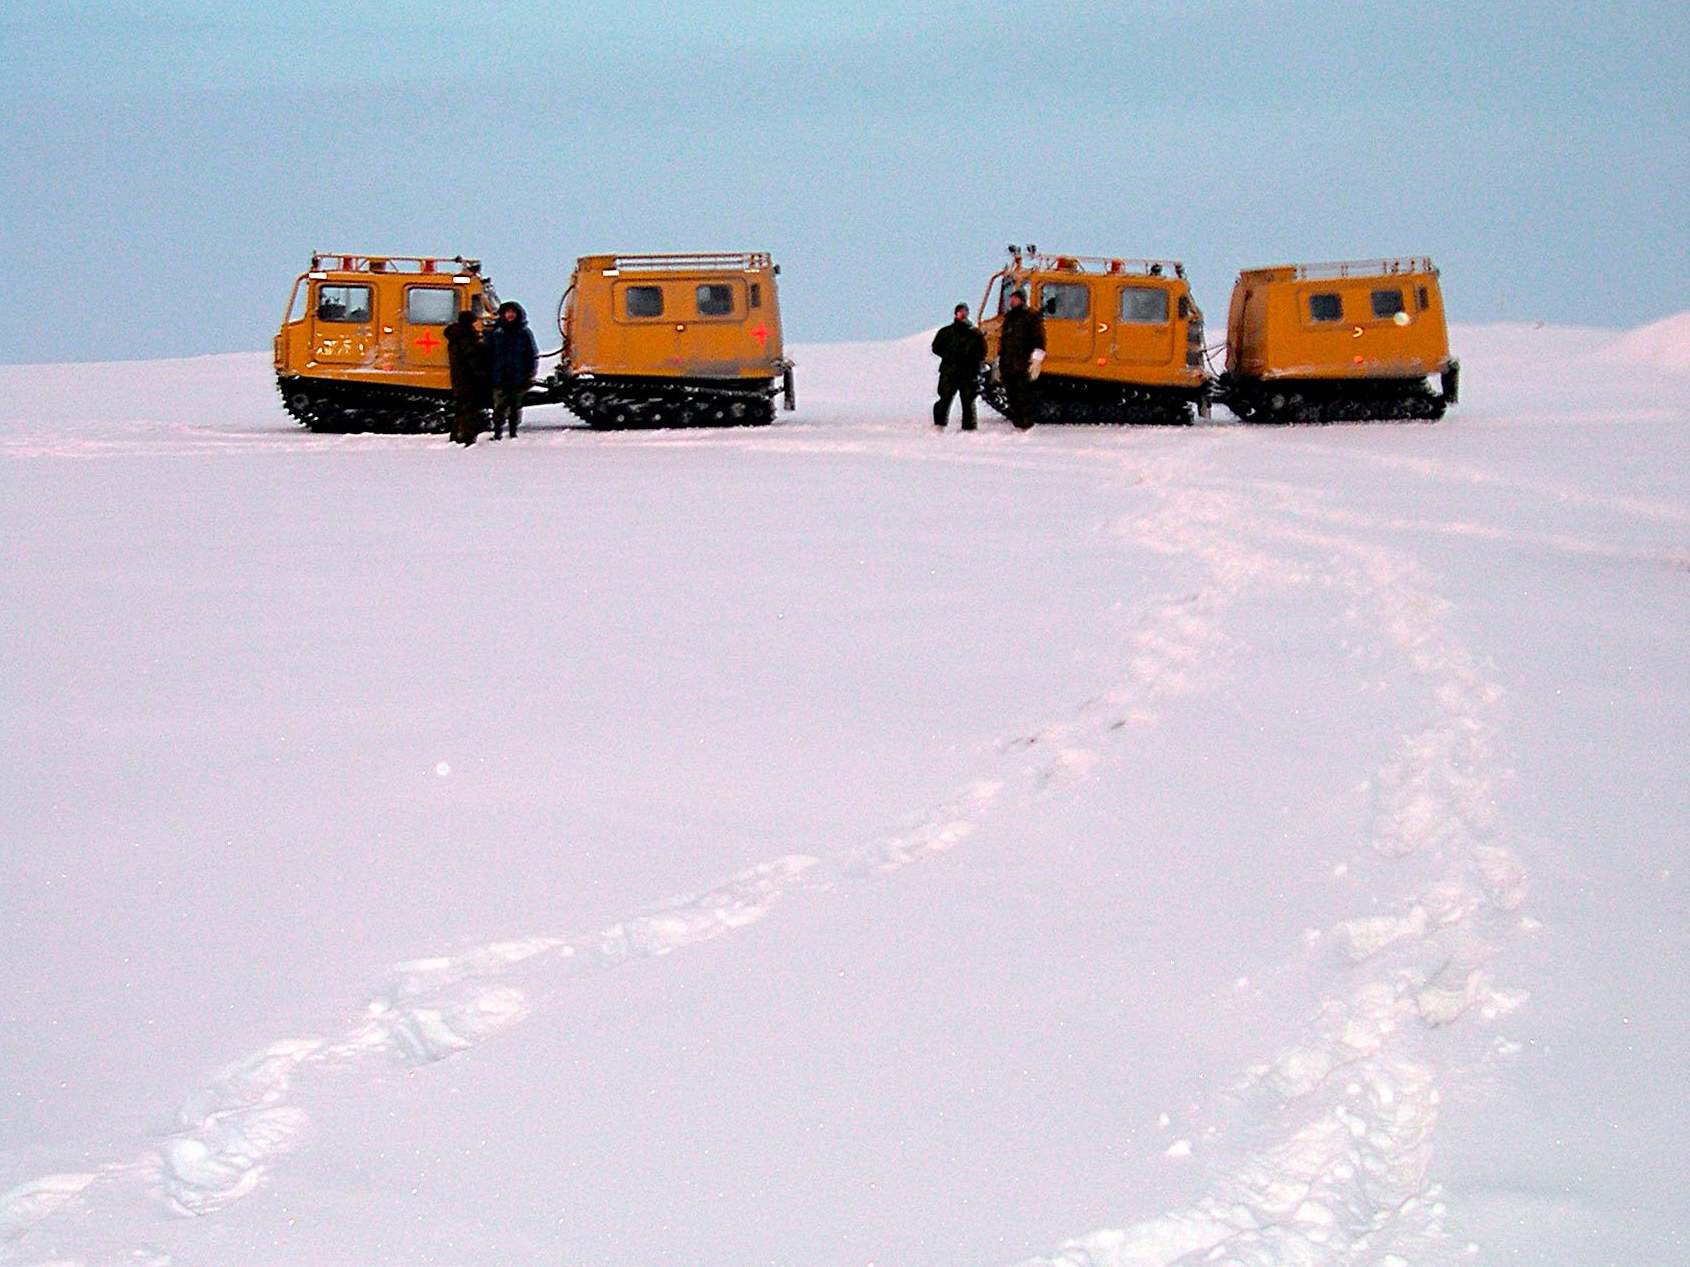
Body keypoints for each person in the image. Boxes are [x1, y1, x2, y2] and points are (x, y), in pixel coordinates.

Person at [486, 300, 539, 440]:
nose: (510, 315)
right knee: (499, 406)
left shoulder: (524, 333)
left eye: (513, 313)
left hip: (518, 376)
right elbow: (488, 353)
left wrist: (530, 373)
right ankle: (497, 432)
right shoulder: (495, 333)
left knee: (515, 406)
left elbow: (531, 354)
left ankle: (513, 432)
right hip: (499, 376)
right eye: (507, 312)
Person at [930, 303, 987, 430]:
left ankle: (969, 428)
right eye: (960, 311)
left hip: (968, 373)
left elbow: (982, 351)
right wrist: (949, 355)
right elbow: (936, 347)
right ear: (956, 314)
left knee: (968, 402)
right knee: (944, 399)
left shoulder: (975, 334)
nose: (962, 314)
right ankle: (939, 425)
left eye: (965, 311)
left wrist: (973, 362)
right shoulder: (946, 332)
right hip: (949, 371)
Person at [997, 288, 1046, 430]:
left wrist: (1036, 359)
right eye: (1011, 298)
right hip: (1008, 364)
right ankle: (1018, 423)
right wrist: (999, 361)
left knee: (1023, 395)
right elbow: (1004, 341)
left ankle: (1026, 425)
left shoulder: (1031, 317)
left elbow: (1039, 339)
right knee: (1011, 395)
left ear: (1022, 300)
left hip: (1022, 363)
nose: (1012, 300)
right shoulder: (1009, 318)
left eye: (1015, 298)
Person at [443, 307, 489, 445]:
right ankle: (467, 437)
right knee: (469, 408)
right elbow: (472, 358)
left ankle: (455, 435)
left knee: (461, 407)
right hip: (468, 379)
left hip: (459, 379)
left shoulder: (456, 336)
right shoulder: (466, 338)